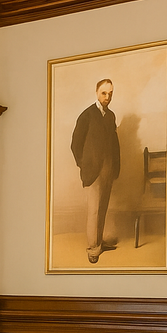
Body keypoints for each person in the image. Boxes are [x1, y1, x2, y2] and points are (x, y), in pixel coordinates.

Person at [71, 78, 120, 264]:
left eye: (110, 93)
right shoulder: (87, 115)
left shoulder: (110, 115)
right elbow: (75, 144)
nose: (107, 97)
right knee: (94, 210)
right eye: (104, 93)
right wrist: (85, 165)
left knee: (103, 208)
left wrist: (114, 166)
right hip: (93, 171)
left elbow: (113, 142)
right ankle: (93, 249)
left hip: (108, 169)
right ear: (97, 93)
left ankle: (99, 242)